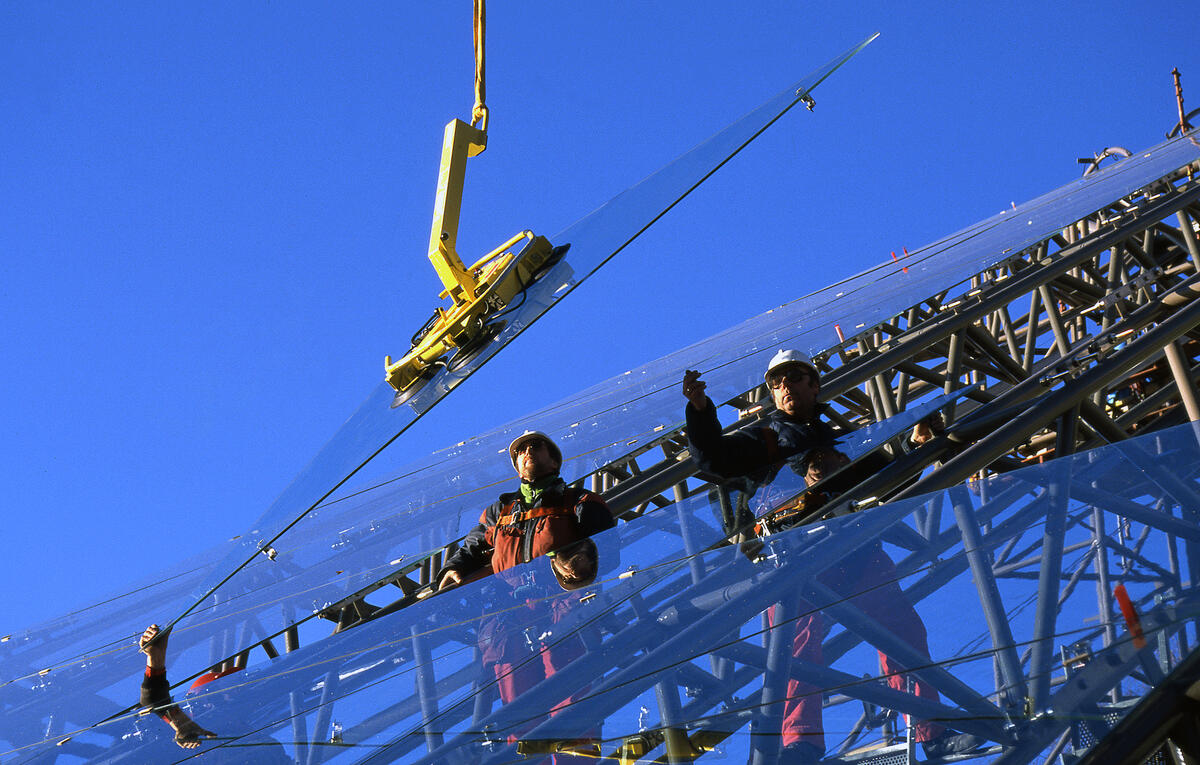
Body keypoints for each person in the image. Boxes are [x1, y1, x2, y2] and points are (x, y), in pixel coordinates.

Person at [683, 351, 980, 763]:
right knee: (797, 650)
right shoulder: (761, 441)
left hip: (852, 551)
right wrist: (700, 412)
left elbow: (889, 476)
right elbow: (712, 458)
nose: (784, 387)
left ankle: (930, 729)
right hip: (793, 560)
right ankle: (801, 743)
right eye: (776, 382)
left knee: (904, 633)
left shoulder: (844, 440)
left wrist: (917, 445)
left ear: (814, 385)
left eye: (793, 378)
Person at [437, 430, 616, 760]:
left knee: (569, 699)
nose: (528, 452)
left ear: (554, 460)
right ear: (517, 467)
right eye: (521, 451)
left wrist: (572, 563)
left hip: (561, 605)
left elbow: (608, 551)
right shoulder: (499, 512)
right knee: (517, 709)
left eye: (536, 446)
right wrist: (453, 569)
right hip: (510, 616)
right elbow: (472, 549)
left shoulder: (580, 502)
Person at [136, 624, 291, 763]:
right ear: (206, 701)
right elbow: (154, 700)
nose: (239, 691)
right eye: (230, 688)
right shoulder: (191, 734)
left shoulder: (261, 740)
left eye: (238, 687)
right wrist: (155, 658)